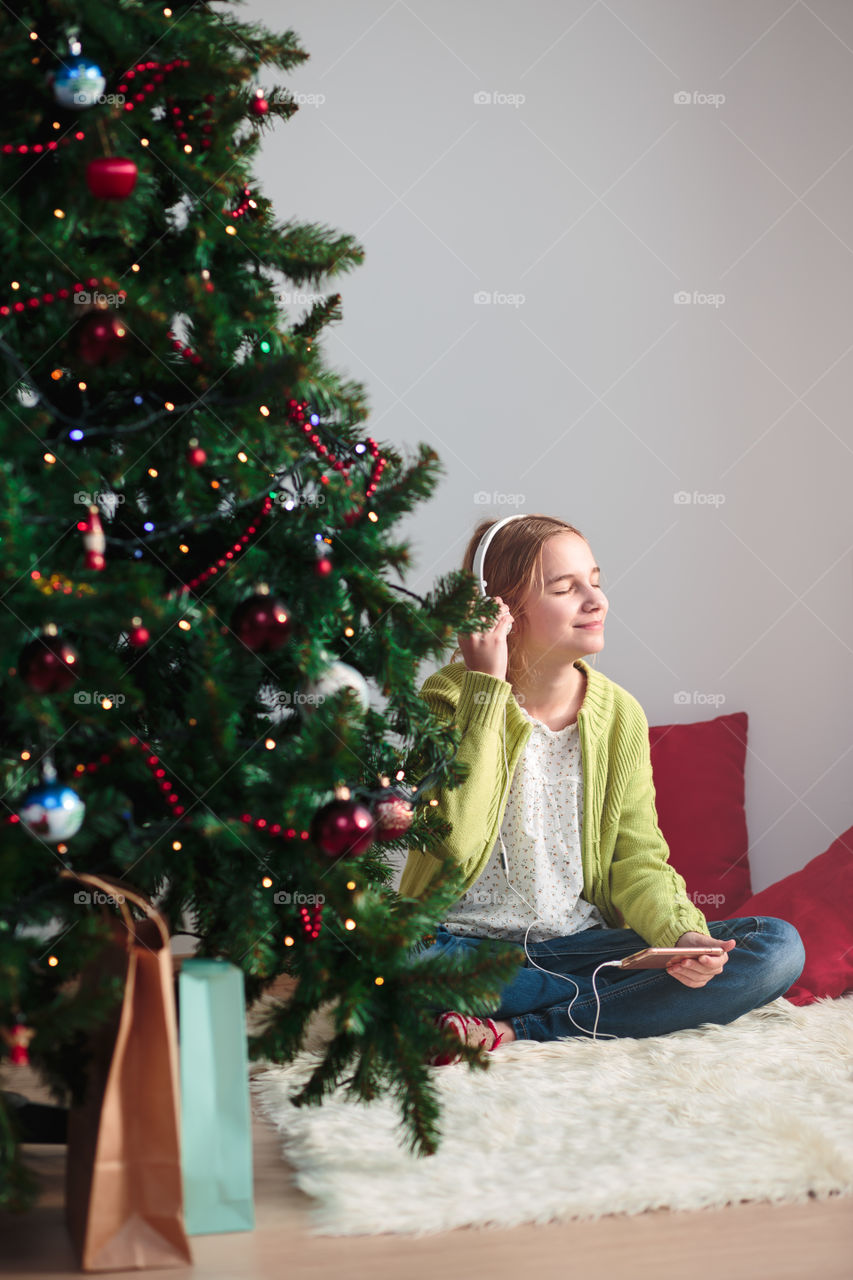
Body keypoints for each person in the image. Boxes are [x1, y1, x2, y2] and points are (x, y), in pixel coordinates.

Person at [399, 514, 805, 1064]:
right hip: (461, 949)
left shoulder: (619, 715)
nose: (596, 600)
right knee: (394, 961)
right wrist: (486, 693)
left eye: (596, 580)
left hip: (582, 948)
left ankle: (521, 1029)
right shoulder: (448, 698)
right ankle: (605, 1007)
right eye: (566, 589)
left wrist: (682, 937)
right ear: (498, 613)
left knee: (778, 948)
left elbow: (636, 860)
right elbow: (450, 843)